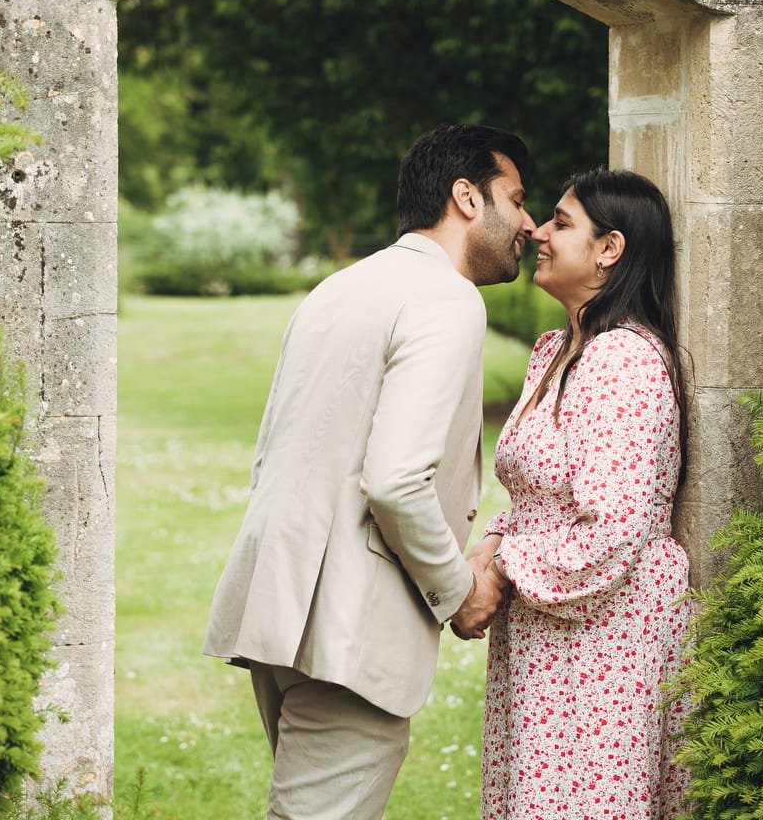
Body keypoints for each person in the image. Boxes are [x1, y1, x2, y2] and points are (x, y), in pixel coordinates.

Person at [203, 123, 535, 820]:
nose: (530, 225)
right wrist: (457, 589)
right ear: (467, 197)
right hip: (349, 624)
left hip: (279, 605)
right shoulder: (447, 300)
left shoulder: (340, 287)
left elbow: (275, 448)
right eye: (519, 198)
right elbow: (395, 479)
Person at [466, 167, 692, 820]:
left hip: (603, 639)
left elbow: (613, 531)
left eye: (561, 223)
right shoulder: (557, 352)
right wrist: (490, 547)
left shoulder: (624, 363)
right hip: (549, 633)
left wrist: (503, 569)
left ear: (610, 249)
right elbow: (541, 501)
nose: (536, 230)